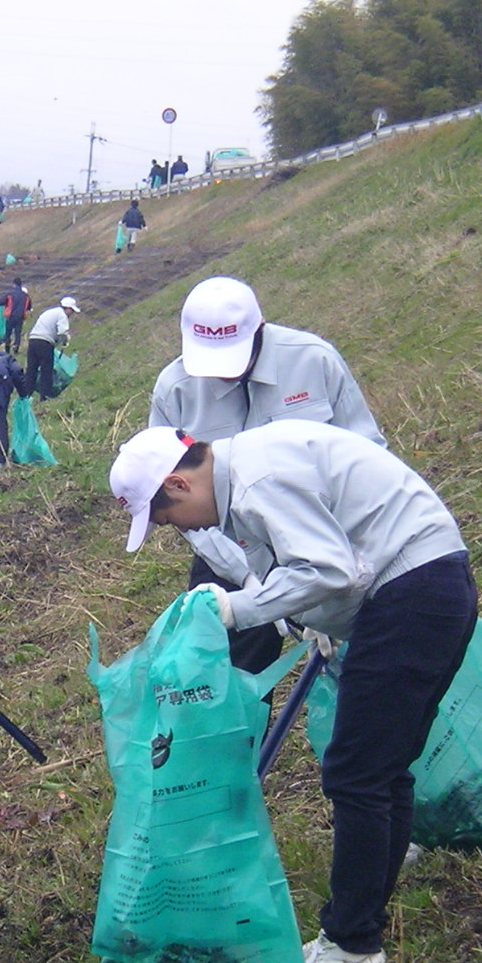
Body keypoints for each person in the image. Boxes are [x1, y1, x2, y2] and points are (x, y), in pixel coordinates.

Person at [108, 420, 477, 963]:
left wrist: (240, 609)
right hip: (420, 587)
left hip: (413, 592)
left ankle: (352, 944)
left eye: (162, 518)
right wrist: (312, 620)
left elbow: (327, 567)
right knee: (382, 766)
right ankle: (368, 902)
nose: (174, 530)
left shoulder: (256, 482)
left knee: (355, 773)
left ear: (177, 485)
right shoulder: (249, 469)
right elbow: (320, 563)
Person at [150, 276, 385, 674]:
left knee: (372, 661)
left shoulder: (313, 360)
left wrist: (344, 568)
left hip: (327, 534)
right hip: (231, 551)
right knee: (222, 672)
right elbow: (176, 502)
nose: (222, 373)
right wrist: (251, 584)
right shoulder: (176, 391)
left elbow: (366, 457)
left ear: (259, 329)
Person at [25, 296, 78, 400]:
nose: (71, 314)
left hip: (33, 340)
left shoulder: (50, 312)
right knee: (46, 368)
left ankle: (27, 394)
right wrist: (65, 341)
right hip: (45, 342)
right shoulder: (62, 315)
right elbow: (62, 332)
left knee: (32, 368)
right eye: (72, 311)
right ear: (67, 308)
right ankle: (45, 395)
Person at [0, 278, 31, 355]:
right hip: (20, 317)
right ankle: (16, 349)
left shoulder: (10, 293)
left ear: (13, 284)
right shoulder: (25, 295)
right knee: (18, 334)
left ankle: (7, 349)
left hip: (10, 316)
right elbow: (29, 306)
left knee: (8, 333)